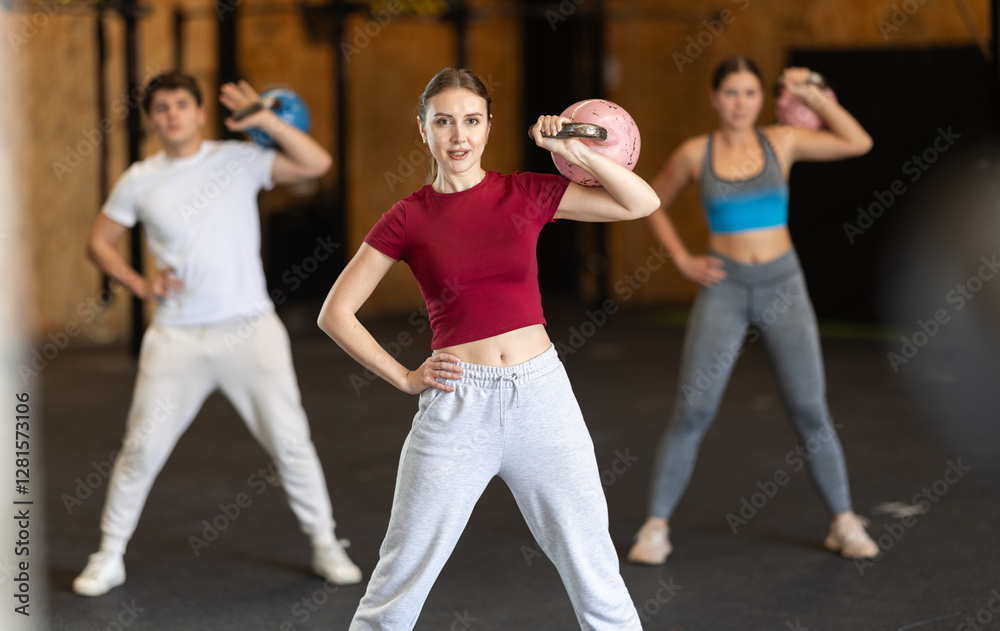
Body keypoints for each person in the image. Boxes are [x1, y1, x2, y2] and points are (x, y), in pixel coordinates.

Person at [318, 67, 660, 630]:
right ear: (423, 129)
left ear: (488, 126)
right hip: (457, 406)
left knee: (592, 565)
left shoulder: (523, 192)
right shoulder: (407, 217)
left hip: (541, 395)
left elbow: (638, 203)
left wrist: (573, 147)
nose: (459, 136)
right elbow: (336, 313)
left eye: (472, 121)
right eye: (444, 121)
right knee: (399, 576)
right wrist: (404, 377)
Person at [72, 71, 362, 597]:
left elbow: (316, 164)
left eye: (182, 104)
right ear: (153, 119)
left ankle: (326, 545)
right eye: (162, 108)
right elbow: (100, 241)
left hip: (250, 330)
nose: (173, 114)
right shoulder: (140, 178)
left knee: (292, 443)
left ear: (200, 112)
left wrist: (265, 120)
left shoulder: (239, 159)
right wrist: (140, 284)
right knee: (140, 450)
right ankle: (108, 556)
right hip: (177, 338)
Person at [626, 56, 880, 565]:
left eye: (749, 93)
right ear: (714, 97)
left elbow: (859, 142)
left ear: (762, 99)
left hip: (783, 284)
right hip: (725, 287)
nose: (740, 103)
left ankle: (843, 522)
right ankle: (655, 527)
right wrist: (682, 258)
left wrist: (810, 96)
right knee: (694, 409)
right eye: (731, 93)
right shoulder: (696, 153)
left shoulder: (782, 141)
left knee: (810, 407)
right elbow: (648, 199)